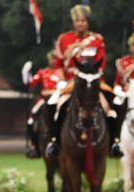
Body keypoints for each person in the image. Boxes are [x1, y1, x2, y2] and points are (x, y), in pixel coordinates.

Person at [45, 4, 110, 159]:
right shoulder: (64, 39)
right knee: (53, 104)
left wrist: (94, 76)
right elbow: (59, 63)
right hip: (71, 81)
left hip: (93, 80)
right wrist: (61, 77)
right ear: (73, 23)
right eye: (77, 21)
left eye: (83, 20)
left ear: (88, 22)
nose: (80, 23)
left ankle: (114, 142)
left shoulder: (97, 39)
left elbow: (103, 62)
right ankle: (54, 141)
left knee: (113, 104)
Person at [22, 51, 65, 159]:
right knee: (31, 120)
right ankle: (35, 147)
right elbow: (30, 84)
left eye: (55, 59)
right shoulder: (43, 72)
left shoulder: (63, 72)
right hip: (45, 99)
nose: (53, 61)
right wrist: (26, 73)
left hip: (60, 98)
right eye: (52, 59)